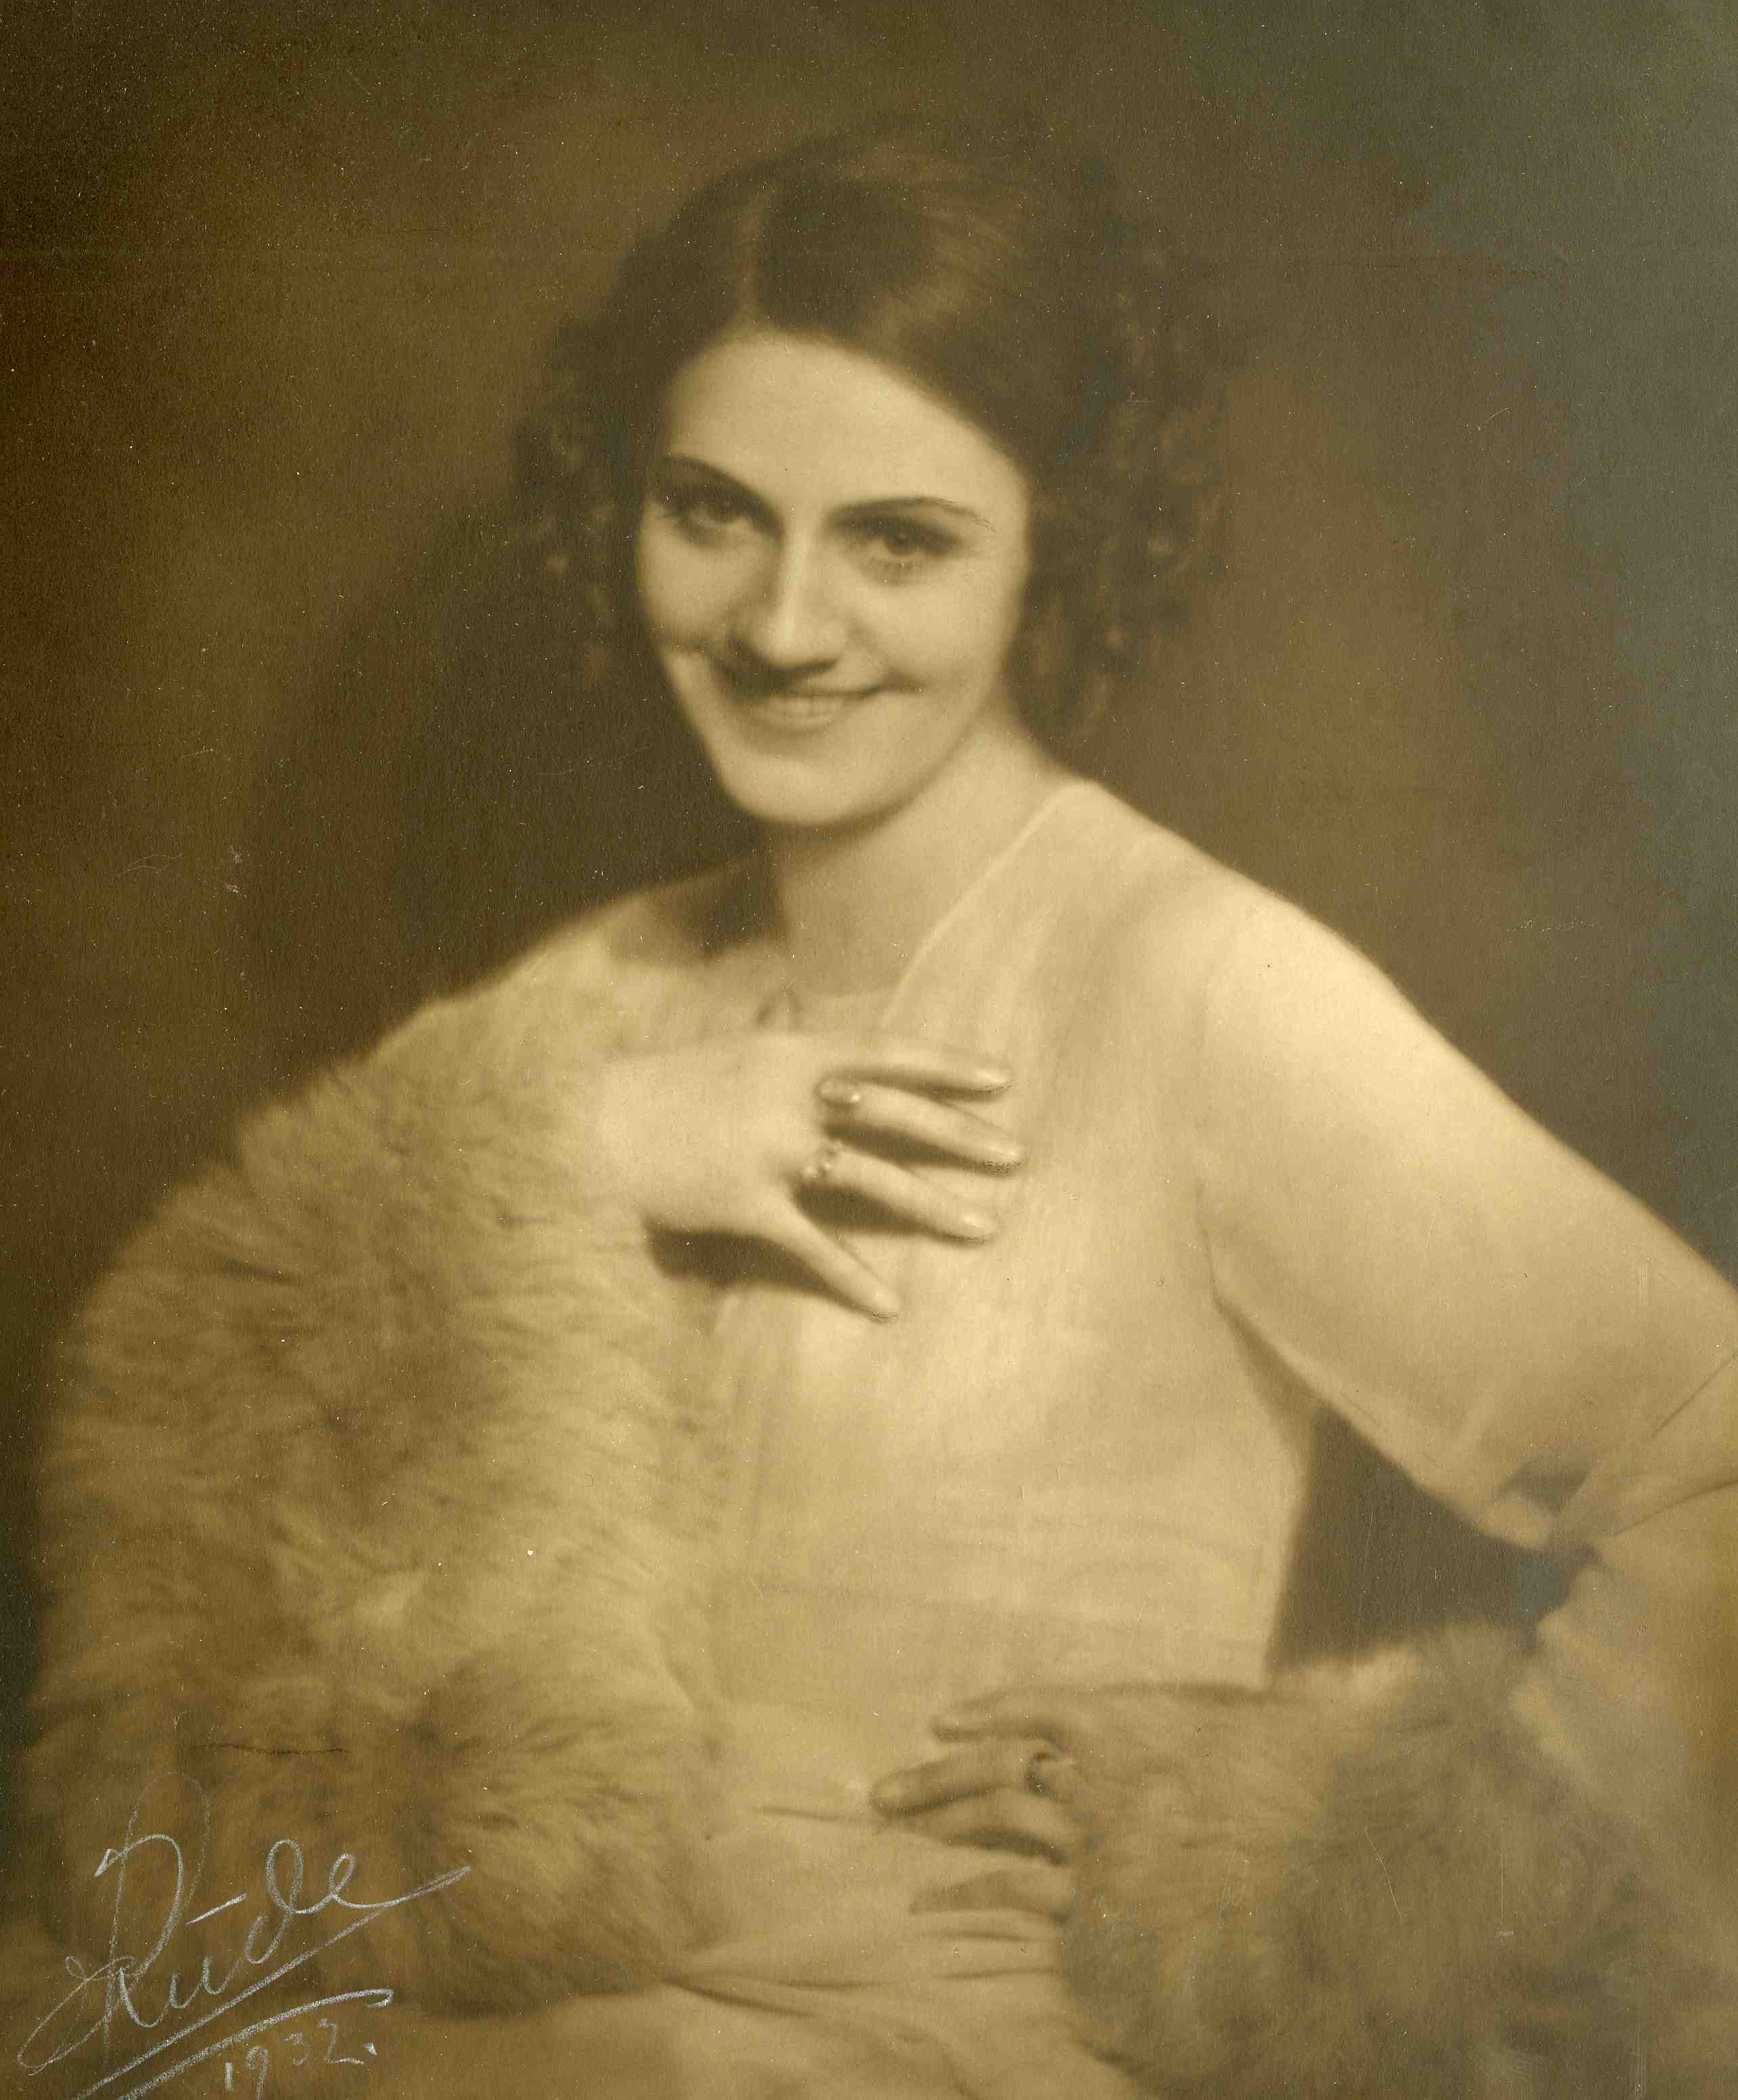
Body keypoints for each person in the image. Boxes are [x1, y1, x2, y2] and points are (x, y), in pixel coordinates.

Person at [14, 114, 1738, 2099]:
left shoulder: (1198, 988)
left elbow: (1712, 1457)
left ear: (1052, 548)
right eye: (714, 513)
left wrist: (1296, 1844)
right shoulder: (583, 1004)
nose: (782, 625)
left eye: (898, 541)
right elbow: (181, 1602)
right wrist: (570, 1156)